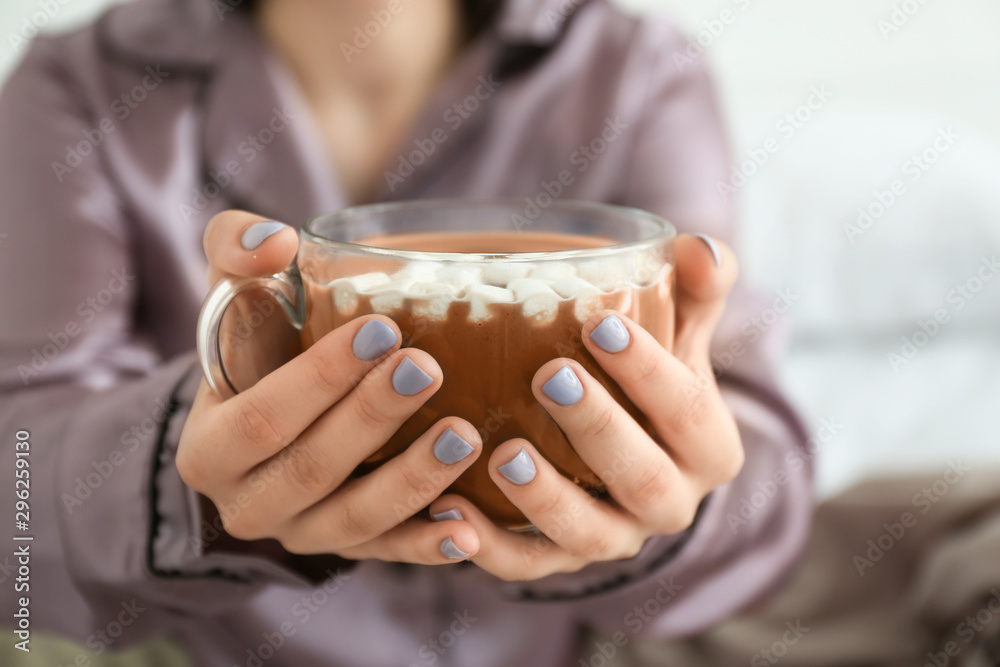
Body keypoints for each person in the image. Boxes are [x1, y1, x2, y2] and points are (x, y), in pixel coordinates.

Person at [0, 0, 813, 665]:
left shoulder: (635, 74)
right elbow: (16, 507)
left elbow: (766, 484)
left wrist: (674, 500)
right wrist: (194, 468)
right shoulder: (79, 86)